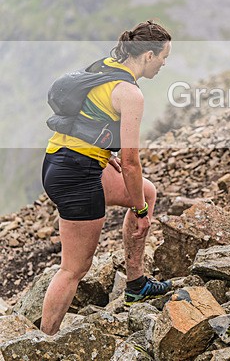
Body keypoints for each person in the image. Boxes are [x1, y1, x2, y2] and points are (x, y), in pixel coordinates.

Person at [40, 21, 173, 334]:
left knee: (147, 192)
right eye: (164, 56)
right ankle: (40, 343)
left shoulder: (107, 66)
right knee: (74, 269)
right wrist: (140, 214)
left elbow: (89, 115)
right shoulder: (130, 94)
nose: (165, 63)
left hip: (59, 160)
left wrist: (106, 155)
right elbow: (130, 162)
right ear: (149, 55)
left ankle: (136, 283)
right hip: (78, 175)